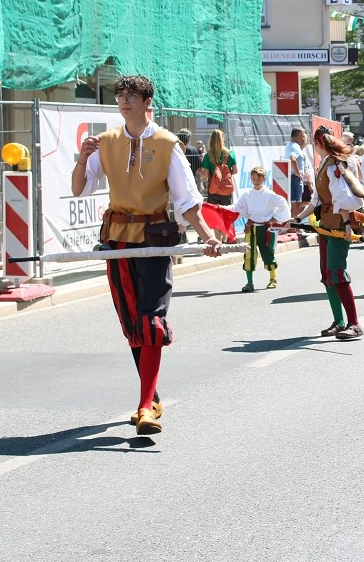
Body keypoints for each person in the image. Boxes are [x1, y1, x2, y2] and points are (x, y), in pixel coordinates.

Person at [72, 75, 221, 435]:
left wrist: (208, 236)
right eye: (120, 95)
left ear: (146, 101)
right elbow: (79, 190)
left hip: (154, 241)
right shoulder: (105, 142)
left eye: (131, 96)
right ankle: (151, 396)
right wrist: (82, 159)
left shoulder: (167, 143)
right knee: (132, 327)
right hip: (117, 243)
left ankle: (145, 407)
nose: (123, 101)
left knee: (151, 322)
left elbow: (186, 200)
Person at [296, 126, 364, 340]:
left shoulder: (334, 166)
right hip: (325, 225)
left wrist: (346, 225)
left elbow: (342, 197)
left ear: (319, 144)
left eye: (314, 144)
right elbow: (318, 199)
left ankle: (355, 324)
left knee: (337, 273)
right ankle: (339, 321)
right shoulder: (324, 165)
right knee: (328, 276)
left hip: (337, 226)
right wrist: (298, 218)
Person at [233, 166, 291, 293]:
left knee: (267, 252)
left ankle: (272, 279)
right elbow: (237, 208)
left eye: (259, 178)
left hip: (265, 228)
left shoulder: (269, 195)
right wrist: (221, 210)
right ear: (251, 179)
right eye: (254, 178)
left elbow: (283, 204)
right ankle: (249, 283)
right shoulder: (247, 195)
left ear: (264, 178)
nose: (256, 181)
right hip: (251, 228)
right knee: (249, 253)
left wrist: (275, 218)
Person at [200, 129, 238, 207]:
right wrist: (226, 175)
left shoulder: (208, 155)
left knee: (214, 212)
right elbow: (235, 171)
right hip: (226, 188)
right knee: (226, 210)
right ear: (222, 139)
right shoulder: (230, 153)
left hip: (213, 188)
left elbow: (206, 175)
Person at [284, 127, 311, 217]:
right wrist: (298, 174)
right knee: (296, 203)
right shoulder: (294, 146)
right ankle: (292, 226)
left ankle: (293, 224)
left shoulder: (291, 146)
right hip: (295, 178)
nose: (303, 138)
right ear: (299, 134)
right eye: (303, 136)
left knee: (299, 203)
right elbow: (292, 159)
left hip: (294, 177)